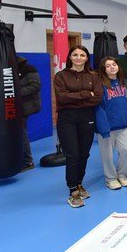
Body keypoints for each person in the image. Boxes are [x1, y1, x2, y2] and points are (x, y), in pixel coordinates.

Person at [53, 45, 102, 208]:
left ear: (87, 58)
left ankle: (79, 183)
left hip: (87, 117)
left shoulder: (93, 76)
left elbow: (98, 98)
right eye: (75, 54)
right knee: (72, 154)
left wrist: (75, 97)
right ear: (70, 57)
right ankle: (72, 190)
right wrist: (86, 94)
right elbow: (62, 98)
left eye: (82, 55)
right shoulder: (61, 76)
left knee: (84, 153)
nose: (79, 57)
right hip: (67, 118)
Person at [95, 56, 127, 190]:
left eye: (114, 64)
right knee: (108, 155)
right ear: (103, 69)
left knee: (126, 150)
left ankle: (122, 174)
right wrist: (103, 127)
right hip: (107, 126)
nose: (112, 67)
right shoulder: (100, 85)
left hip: (123, 124)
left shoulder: (124, 82)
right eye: (108, 65)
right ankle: (110, 178)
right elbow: (99, 108)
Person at [16, 55, 41, 172]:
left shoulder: (29, 69)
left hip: (27, 105)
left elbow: (36, 86)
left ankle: (28, 161)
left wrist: (16, 93)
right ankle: (21, 158)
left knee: (21, 132)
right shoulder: (9, 70)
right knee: (18, 132)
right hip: (15, 106)